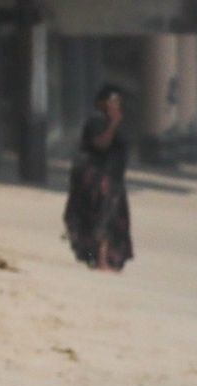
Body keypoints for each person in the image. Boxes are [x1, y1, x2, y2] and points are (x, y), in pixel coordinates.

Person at [64, 85, 132, 272]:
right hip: (98, 179)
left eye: (117, 101)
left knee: (114, 219)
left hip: (114, 179)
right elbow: (101, 145)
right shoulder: (96, 122)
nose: (115, 105)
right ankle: (101, 260)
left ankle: (107, 258)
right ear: (102, 103)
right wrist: (113, 124)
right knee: (102, 218)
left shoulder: (120, 125)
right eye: (111, 101)